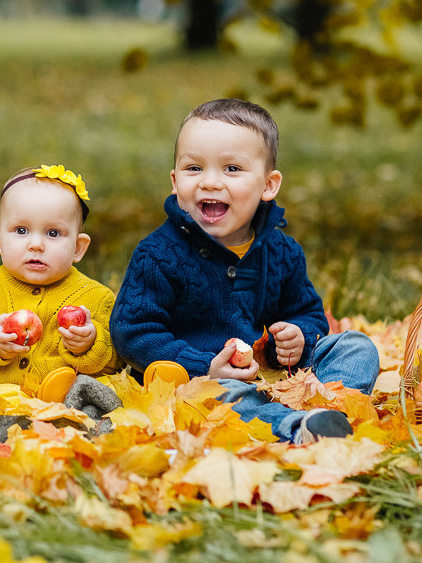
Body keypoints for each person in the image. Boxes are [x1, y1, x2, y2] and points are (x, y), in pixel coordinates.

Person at [110, 99, 380, 443]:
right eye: (194, 169)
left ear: (268, 185)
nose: (209, 182)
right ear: (175, 182)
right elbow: (132, 332)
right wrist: (202, 367)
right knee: (217, 395)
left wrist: (297, 337)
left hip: (274, 377)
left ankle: (328, 413)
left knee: (356, 346)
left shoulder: (282, 252)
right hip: (202, 384)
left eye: (231, 169)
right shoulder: (158, 255)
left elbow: (306, 313)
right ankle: (294, 428)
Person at [0, 164, 120, 401]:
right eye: (21, 230)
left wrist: (89, 344)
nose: (36, 244)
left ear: (78, 247)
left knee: (100, 397)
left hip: (65, 404)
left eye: (53, 233)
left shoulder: (95, 296)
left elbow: (116, 362)